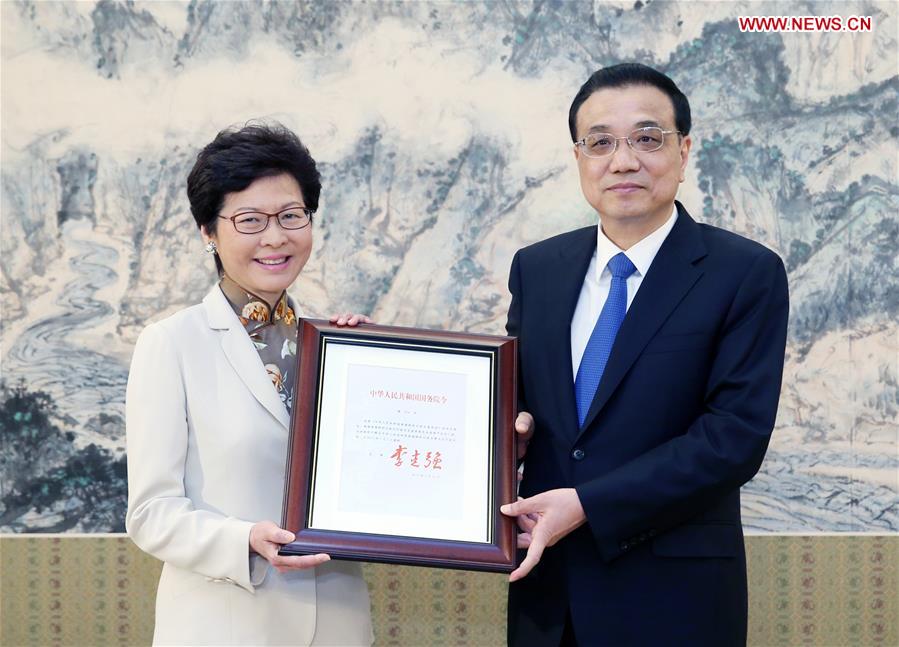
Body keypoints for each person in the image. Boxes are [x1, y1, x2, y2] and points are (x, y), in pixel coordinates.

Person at [500, 63, 789, 646]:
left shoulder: (745, 273)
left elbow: (733, 440)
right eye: (600, 142)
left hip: (674, 601)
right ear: (578, 157)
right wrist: (511, 429)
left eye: (647, 139)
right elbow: (518, 403)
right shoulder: (538, 269)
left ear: (684, 151)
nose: (623, 160)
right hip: (548, 597)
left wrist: (588, 503)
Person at [125, 123, 373, 646]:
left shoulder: (340, 346)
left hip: (337, 623)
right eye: (250, 220)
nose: (275, 237)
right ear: (208, 232)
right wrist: (244, 540)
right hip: (226, 624)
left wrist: (374, 369)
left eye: (290, 216)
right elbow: (151, 514)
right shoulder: (172, 343)